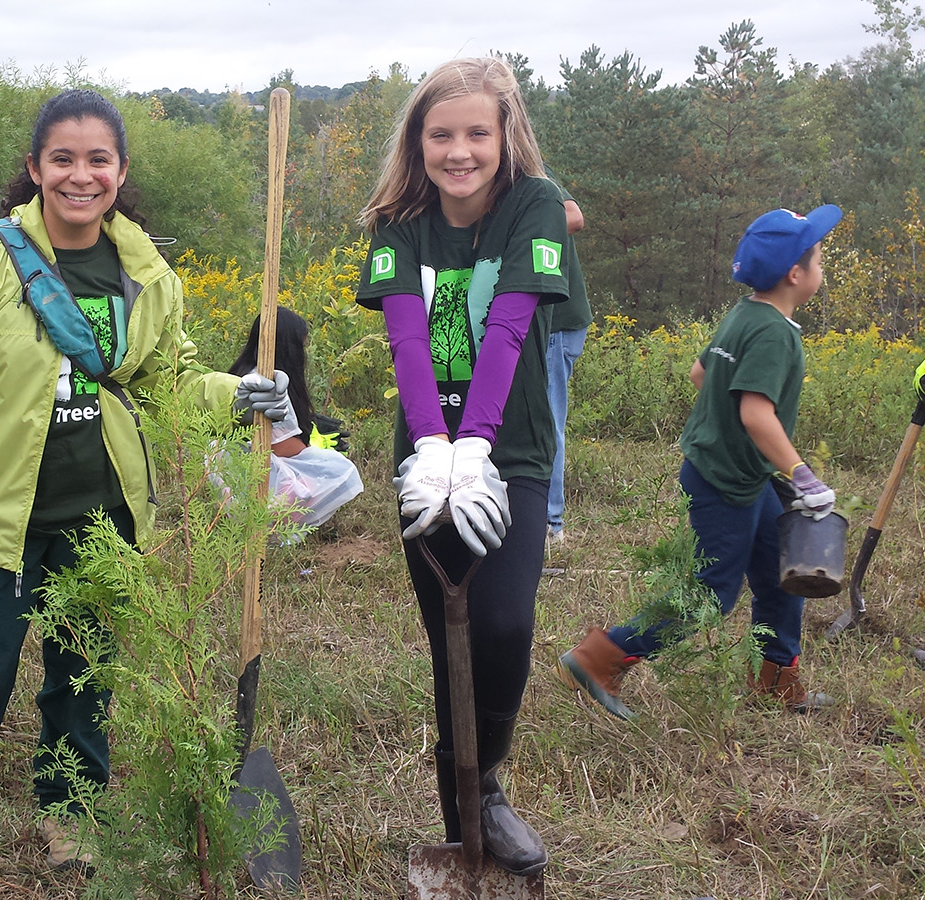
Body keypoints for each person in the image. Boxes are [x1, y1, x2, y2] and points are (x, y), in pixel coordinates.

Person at [0, 88, 288, 900]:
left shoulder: (144, 272)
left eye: (98, 159)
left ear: (121, 170)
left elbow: (164, 380)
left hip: (103, 515)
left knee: (86, 676)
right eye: (62, 158)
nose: (80, 175)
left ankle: (70, 810)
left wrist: (236, 393)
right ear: (34, 168)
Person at [354, 57, 570, 877]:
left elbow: (510, 328)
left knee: (504, 625)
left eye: (476, 133)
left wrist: (473, 444)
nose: (459, 151)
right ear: (419, 141)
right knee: (451, 640)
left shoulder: (534, 206)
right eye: (440, 134)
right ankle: (461, 814)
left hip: (507, 453)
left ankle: (491, 783)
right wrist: (432, 445)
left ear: (504, 135)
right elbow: (408, 338)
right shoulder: (398, 220)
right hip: (423, 457)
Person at [558, 205, 842, 720]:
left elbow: (699, 373)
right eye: (819, 258)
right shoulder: (776, 334)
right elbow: (757, 413)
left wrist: (728, 434)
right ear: (795, 275)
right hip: (726, 482)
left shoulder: (745, 313)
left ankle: (776, 677)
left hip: (735, 472)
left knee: (782, 572)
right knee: (712, 594)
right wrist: (802, 474)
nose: (822, 267)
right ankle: (600, 657)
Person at [226, 307, 363, 532]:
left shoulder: (241, 373)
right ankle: (280, 529)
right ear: (289, 347)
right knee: (340, 469)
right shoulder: (270, 385)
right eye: (302, 345)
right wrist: (321, 449)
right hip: (254, 475)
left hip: (230, 474)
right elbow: (284, 448)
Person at [543, 171, 588, 544]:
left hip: (555, 322)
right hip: (536, 322)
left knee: (545, 417)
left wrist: (518, 229)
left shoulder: (531, 173)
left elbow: (574, 216)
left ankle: (549, 523)